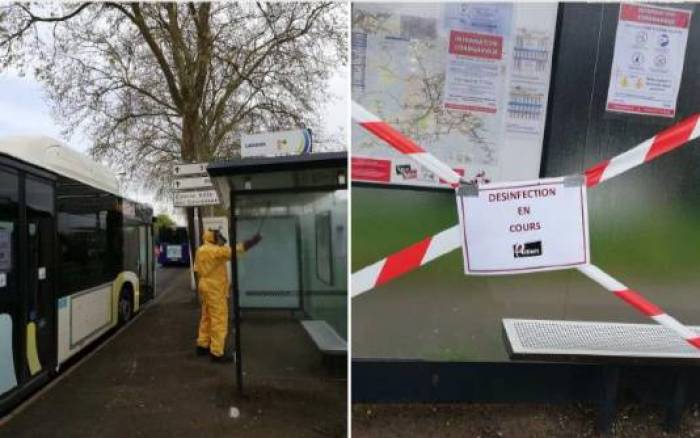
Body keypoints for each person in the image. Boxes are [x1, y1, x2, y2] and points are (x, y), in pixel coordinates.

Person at [194, 229, 262, 363]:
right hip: (214, 289)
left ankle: (202, 345)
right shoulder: (213, 250)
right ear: (213, 238)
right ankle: (217, 353)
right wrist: (252, 242)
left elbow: (197, 269)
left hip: (206, 286)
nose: (221, 239)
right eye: (219, 236)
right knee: (219, 320)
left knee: (207, 317)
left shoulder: (202, 249)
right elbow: (233, 251)